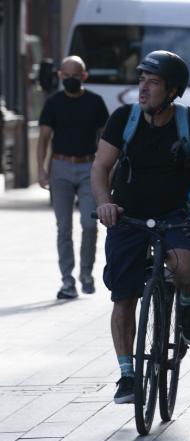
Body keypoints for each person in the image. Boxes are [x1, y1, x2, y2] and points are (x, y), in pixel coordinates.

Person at [90, 51, 190, 404]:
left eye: (153, 82)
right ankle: (127, 374)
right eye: (141, 79)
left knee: (186, 267)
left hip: (174, 215)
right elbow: (99, 167)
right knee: (123, 296)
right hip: (127, 216)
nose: (143, 88)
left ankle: (187, 300)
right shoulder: (123, 119)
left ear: (172, 91)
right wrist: (104, 204)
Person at [37, 55, 109, 299]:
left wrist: (106, 168)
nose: (70, 80)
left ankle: (86, 274)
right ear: (59, 76)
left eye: (75, 77)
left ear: (84, 76)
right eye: (66, 76)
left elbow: (105, 138)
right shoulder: (53, 103)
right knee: (63, 228)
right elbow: (44, 138)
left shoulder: (95, 102)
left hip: (89, 167)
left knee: (90, 224)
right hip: (60, 167)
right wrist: (41, 168)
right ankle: (67, 280)